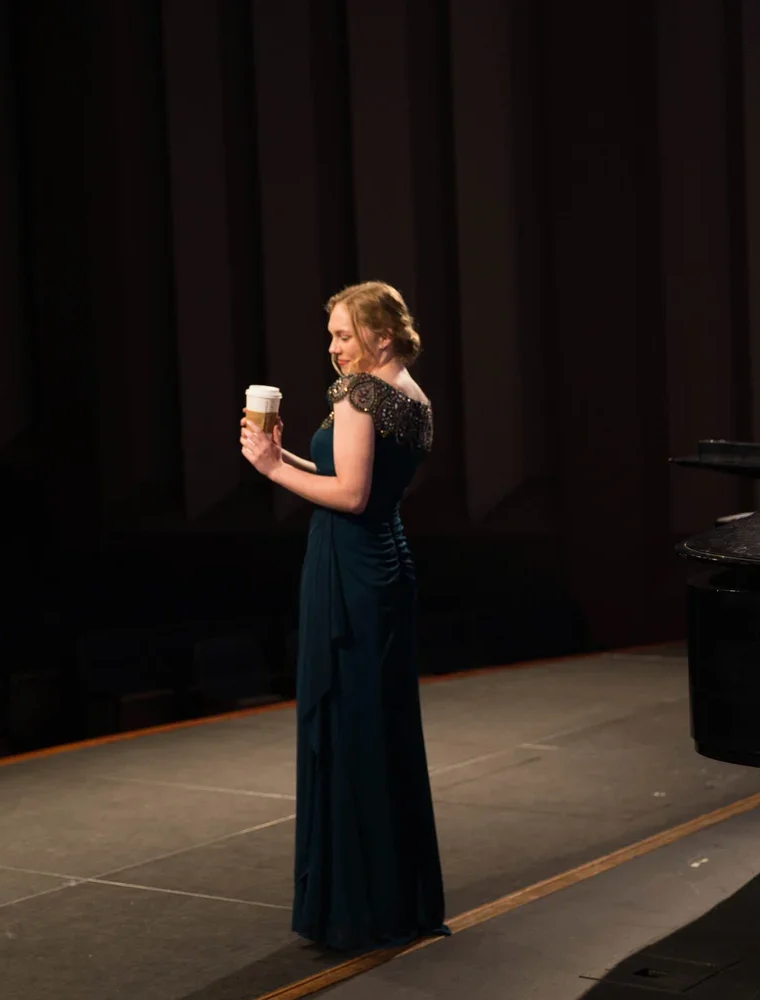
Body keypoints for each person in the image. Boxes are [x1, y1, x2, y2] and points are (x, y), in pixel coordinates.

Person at [239, 280, 448, 951]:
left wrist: (272, 471)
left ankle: (357, 908)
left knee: (348, 723)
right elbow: (357, 485)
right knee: (376, 724)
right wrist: (280, 459)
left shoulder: (361, 394)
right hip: (385, 562)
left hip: (350, 566)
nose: (333, 347)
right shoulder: (413, 396)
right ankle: (396, 897)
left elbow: (350, 495)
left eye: (342, 333)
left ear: (379, 335)